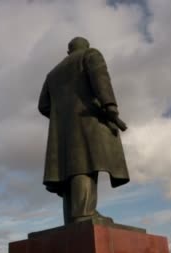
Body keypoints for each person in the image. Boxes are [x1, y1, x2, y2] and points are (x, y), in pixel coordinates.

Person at [37, 37, 130, 224]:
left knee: (69, 171)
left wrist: (61, 116)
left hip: (62, 130)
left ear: (68, 51)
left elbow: (43, 105)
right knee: (85, 165)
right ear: (85, 46)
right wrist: (109, 105)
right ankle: (85, 213)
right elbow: (100, 79)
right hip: (89, 120)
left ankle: (72, 217)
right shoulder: (91, 54)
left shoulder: (52, 74)